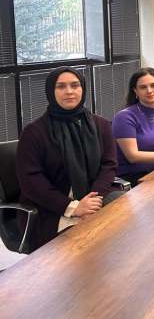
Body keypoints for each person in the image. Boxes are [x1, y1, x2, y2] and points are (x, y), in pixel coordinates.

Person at [15, 67, 121, 252]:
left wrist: (92, 203)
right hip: (52, 209)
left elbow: (109, 166)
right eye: (61, 86)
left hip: (96, 197)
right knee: (89, 242)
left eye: (75, 85)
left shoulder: (101, 125)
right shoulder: (34, 132)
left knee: (128, 223)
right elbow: (31, 181)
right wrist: (73, 207)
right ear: (51, 91)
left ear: (83, 89)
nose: (69, 91)